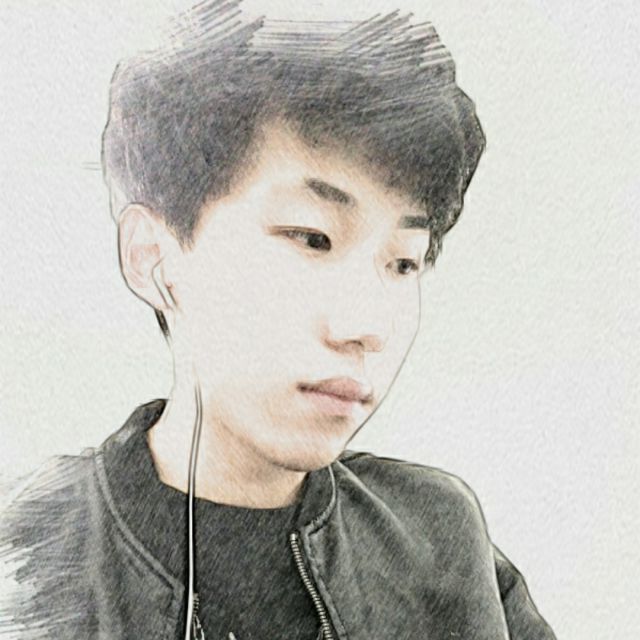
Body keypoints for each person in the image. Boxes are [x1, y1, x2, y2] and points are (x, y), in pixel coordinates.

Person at [0, 2, 556, 639]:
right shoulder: (27, 555)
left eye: (404, 262)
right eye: (313, 238)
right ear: (153, 258)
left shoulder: (440, 536)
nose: (367, 326)